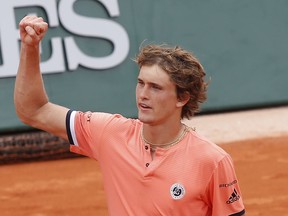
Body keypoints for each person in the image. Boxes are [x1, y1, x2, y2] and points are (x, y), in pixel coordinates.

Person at [14, 15, 245, 216]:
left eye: (155, 87)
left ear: (182, 98)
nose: (143, 95)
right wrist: (30, 48)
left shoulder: (212, 161)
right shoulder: (109, 133)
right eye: (140, 83)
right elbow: (34, 110)